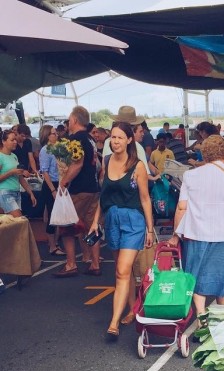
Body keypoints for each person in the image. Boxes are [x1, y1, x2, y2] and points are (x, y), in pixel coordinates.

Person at [167, 135, 224, 316]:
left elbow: (182, 207)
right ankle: (221, 316)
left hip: (195, 234)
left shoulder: (190, 175)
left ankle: (201, 314)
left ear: (205, 154)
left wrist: (176, 235)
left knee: (196, 276)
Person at [89, 121, 154, 340]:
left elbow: (145, 199)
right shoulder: (106, 161)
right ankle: (132, 309)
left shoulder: (138, 166)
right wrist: (95, 221)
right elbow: (103, 196)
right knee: (121, 271)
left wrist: (150, 229)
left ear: (129, 140)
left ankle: (113, 323)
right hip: (112, 220)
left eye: (119, 137)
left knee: (123, 270)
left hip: (133, 221)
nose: (115, 141)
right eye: (113, 137)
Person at [54, 105, 101, 278]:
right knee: (91, 227)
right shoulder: (90, 139)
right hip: (93, 188)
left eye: (69, 119)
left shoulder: (76, 139)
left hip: (79, 189)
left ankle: (70, 264)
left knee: (67, 227)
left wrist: (63, 182)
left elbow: (77, 164)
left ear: (74, 120)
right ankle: (95, 264)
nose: (68, 123)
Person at [38, 125, 64, 255]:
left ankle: (55, 242)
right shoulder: (45, 150)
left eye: (56, 133)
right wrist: (53, 190)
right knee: (52, 215)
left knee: (58, 215)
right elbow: (45, 172)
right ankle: (52, 246)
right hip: (51, 185)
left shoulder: (58, 148)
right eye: (53, 133)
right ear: (47, 136)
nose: (56, 135)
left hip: (59, 182)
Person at [0, 129, 36, 218]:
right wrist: (11, 172)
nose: (15, 142)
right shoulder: (1, 157)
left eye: (15, 139)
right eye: (12, 140)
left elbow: (20, 178)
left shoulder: (14, 156)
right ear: (3, 141)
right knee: (20, 220)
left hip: (16, 193)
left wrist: (30, 193)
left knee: (12, 223)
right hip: (5, 192)